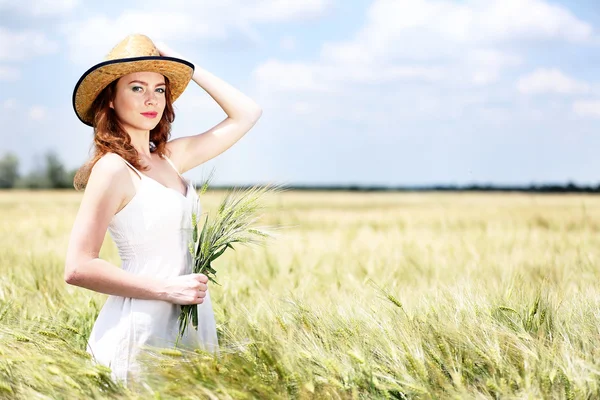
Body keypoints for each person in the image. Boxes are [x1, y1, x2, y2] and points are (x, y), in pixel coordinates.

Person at [63, 34, 262, 386]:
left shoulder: (171, 159)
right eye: (137, 88)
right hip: (141, 328)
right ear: (110, 98)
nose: (151, 99)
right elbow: (78, 267)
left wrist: (185, 64)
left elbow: (247, 113)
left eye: (160, 89)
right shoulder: (112, 168)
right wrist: (168, 291)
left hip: (191, 319)